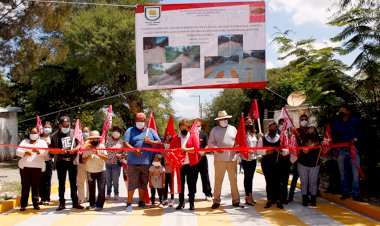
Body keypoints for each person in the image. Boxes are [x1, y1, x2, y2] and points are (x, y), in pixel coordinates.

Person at [123, 112, 161, 212]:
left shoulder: (150, 131)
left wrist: (150, 142)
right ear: (135, 121)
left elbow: (159, 143)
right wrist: (134, 150)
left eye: (142, 121)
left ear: (145, 121)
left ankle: (141, 201)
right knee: (132, 183)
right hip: (133, 162)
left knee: (143, 183)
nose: (140, 122)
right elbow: (125, 143)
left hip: (146, 162)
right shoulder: (130, 130)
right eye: (138, 121)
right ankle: (129, 203)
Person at [208, 110, 244, 209]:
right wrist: (216, 149)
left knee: (233, 181)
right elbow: (210, 143)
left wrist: (237, 145)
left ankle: (236, 200)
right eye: (222, 119)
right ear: (218, 120)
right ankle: (216, 200)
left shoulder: (233, 129)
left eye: (225, 119)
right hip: (219, 159)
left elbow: (238, 141)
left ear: (228, 119)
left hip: (232, 159)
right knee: (218, 180)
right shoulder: (214, 130)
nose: (224, 120)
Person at [331, 105, 364, 202]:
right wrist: (336, 148)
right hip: (341, 150)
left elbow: (362, 132)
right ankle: (345, 192)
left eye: (343, 110)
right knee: (343, 173)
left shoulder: (355, 120)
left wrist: (355, 139)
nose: (341, 112)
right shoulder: (336, 122)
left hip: (353, 149)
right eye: (339, 110)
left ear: (348, 111)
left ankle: (356, 193)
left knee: (355, 172)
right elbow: (333, 136)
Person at [51, 116, 84, 211]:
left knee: (73, 183)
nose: (66, 126)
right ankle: (61, 203)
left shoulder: (74, 133)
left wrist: (75, 150)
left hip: (72, 162)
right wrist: (59, 152)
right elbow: (52, 150)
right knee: (61, 183)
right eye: (64, 125)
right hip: (61, 162)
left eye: (68, 125)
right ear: (60, 125)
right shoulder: (55, 136)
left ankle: (75, 202)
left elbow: (80, 144)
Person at [16, 127, 48, 211]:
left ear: (38, 134)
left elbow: (46, 152)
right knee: (25, 186)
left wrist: (38, 152)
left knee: (35, 186)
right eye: (32, 133)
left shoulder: (42, 142)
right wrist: (25, 152)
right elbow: (18, 151)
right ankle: (23, 204)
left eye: (35, 133)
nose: (33, 135)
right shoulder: (24, 141)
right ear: (29, 133)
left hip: (37, 168)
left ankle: (36, 203)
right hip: (25, 167)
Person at [171, 119, 199, 211]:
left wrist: (186, 150)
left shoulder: (192, 136)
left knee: (191, 184)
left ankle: (191, 203)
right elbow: (171, 150)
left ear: (188, 127)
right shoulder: (175, 137)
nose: (184, 128)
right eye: (182, 127)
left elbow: (196, 148)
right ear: (179, 128)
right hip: (180, 165)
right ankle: (181, 202)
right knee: (180, 184)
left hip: (191, 164)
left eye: (185, 127)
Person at [257, 122, 285, 209]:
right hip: (267, 163)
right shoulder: (263, 138)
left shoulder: (281, 137)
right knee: (269, 182)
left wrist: (281, 151)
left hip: (278, 163)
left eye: (275, 128)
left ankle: (278, 200)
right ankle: (269, 200)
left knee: (278, 182)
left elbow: (287, 149)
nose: (273, 129)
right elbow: (258, 150)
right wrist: (266, 152)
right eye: (272, 128)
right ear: (269, 128)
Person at [82, 131, 108, 211]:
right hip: (90, 171)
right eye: (93, 138)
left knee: (101, 189)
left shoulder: (102, 146)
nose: (94, 140)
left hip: (101, 170)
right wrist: (88, 157)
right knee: (91, 189)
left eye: (96, 138)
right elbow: (83, 160)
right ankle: (92, 204)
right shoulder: (86, 147)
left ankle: (99, 205)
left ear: (98, 139)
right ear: (90, 139)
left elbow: (106, 158)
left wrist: (97, 153)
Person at [298, 126, 321, 206]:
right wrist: (302, 151)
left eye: (312, 131)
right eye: (309, 131)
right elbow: (297, 151)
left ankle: (313, 200)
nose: (310, 133)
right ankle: (305, 200)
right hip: (302, 164)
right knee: (304, 182)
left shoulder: (319, 142)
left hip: (314, 165)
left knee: (313, 183)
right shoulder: (302, 141)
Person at [288, 115, 309, 202]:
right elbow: (293, 144)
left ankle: (306, 196)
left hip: (308, 158)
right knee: (295, 178)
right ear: (299, 121)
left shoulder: (310, 130)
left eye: (305, 119)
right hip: (298, 158)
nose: (304, 121)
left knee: (306, 179)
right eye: (302, 120)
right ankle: (291, 195)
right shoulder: (296, 131)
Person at [241, 116, 259, 206]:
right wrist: (247, 150)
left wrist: (260, 138)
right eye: (247, 123)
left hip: (254, 158)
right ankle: (248, 196)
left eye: (250, 123)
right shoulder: (243, 134)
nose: (249, 124)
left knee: (251, 178)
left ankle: (250, 196)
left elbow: (257, 146)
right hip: (246, 158)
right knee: (247, 177)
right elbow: (240, 147)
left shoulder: (254, 134)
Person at [195, 121, 213, 200]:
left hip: (203, 158)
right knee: (192, 177)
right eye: (196, 124)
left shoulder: (204, 133)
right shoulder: (190, 135)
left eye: (199, 124)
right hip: (194, 158)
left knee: (205, 176)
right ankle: (191, 193)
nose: (198, 125)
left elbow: (207, 144)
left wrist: (203, 152)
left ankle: (208, 193)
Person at [105, 125, 124, 200]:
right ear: (112, 131)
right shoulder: (107, 140)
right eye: (115, 131)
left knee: (115, 180)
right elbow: (104, 149)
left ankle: (116, 193)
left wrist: (121, 155)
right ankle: (108, 193)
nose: (116, 132)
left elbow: (124, 152)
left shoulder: (122, 142)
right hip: (107, 163)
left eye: (118, 131)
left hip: (117, 164)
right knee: (108, 180)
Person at [39, 121, 53, 205]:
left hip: (48, 161)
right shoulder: (39, 138)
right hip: (39, 161)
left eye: (48, 127)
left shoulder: (52, 137)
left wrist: (49, 145)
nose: (47, 129)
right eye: (45, 127)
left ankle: (47, 198)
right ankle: (42, 197)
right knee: (40, 180)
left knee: (47, 180)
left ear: (51, 129)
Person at [77, 126, 90, 204]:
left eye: (86, 131)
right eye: (83, 131)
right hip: (81, 164)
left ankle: (89, 197)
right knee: (80, 182)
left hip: (90, 164)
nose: (85, 133)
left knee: (89, 182)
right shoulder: (79, 141)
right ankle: (81, 198)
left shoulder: (91, 142)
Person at [162, 136, 175, 207]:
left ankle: (172, 199)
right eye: (165, 142)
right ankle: (165, 199)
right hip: (164, 172)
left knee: (171, 185)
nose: (166, 144)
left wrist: (170, 162)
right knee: (165, 185)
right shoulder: (162, 151)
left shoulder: (172, 151)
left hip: (171, 171)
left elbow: (175, 160)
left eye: (168, 142)